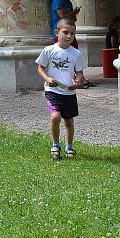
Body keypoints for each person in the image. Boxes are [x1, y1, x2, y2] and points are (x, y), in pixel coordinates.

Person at [35, 19, 87, 160]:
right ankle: (55, 145)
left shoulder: (76, 53)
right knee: (55, 117)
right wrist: (47, 79)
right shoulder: (49, 50)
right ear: (57, 32)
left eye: (72, 33)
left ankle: (69, 147)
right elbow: (40, 68)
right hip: (52, 91)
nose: (69, 36)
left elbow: (80, 73)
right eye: (65, 32)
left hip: (69, 92)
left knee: (68, 121)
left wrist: (76, 82)